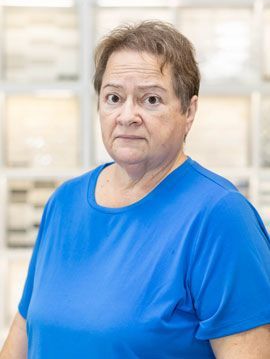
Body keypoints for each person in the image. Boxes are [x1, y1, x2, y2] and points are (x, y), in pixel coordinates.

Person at [1, 20, 270, 359]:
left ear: (189, 111)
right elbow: (23, 334)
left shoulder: (220, 215)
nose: (127, 115)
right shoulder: (65, 202)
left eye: (151, 99)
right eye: (113, 97)